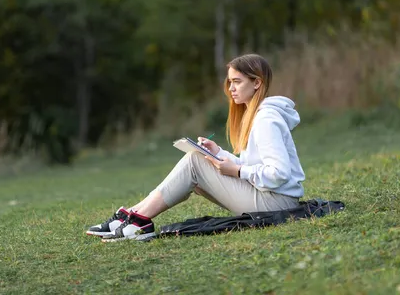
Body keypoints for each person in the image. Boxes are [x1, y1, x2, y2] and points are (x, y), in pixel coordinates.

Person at [86, 54, 306, 242]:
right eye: (229, 82)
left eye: (237, 82)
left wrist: (238, 171)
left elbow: (278, 173)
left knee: (194, 162)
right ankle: (133, 215)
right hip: (269, 198)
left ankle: (137, 219)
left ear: (256, 83)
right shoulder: (256, 116)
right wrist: (218, 153)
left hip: (277, 204)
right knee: (198, 160)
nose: (231, 89)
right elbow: (255, 165)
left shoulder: (265, 119)